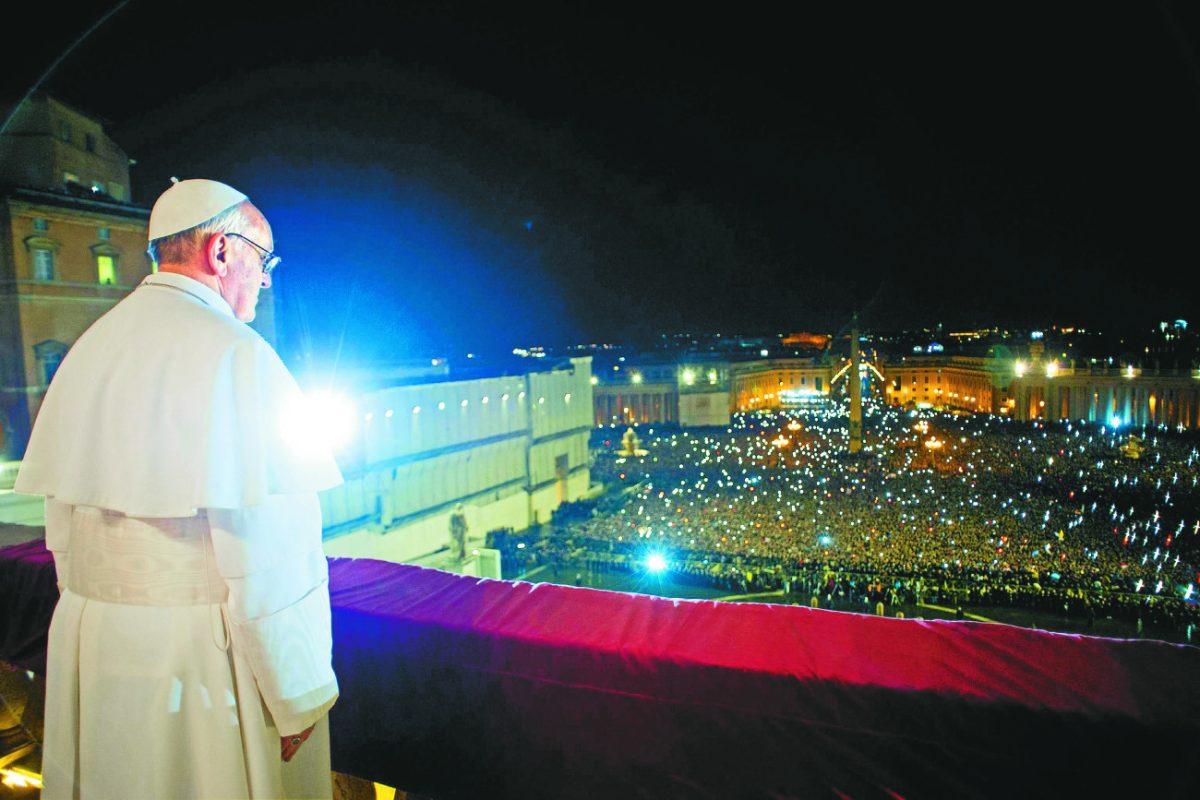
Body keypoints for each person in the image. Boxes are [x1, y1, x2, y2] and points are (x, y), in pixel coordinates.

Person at [16, 179, 344, 799]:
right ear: (221, 252)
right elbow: (274, 554)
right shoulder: (237, 355)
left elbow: (61, 531)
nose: (267, 279)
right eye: (263, 258)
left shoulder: (89, 347)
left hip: (95, 646)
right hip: (201, 666)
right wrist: (295, 692)